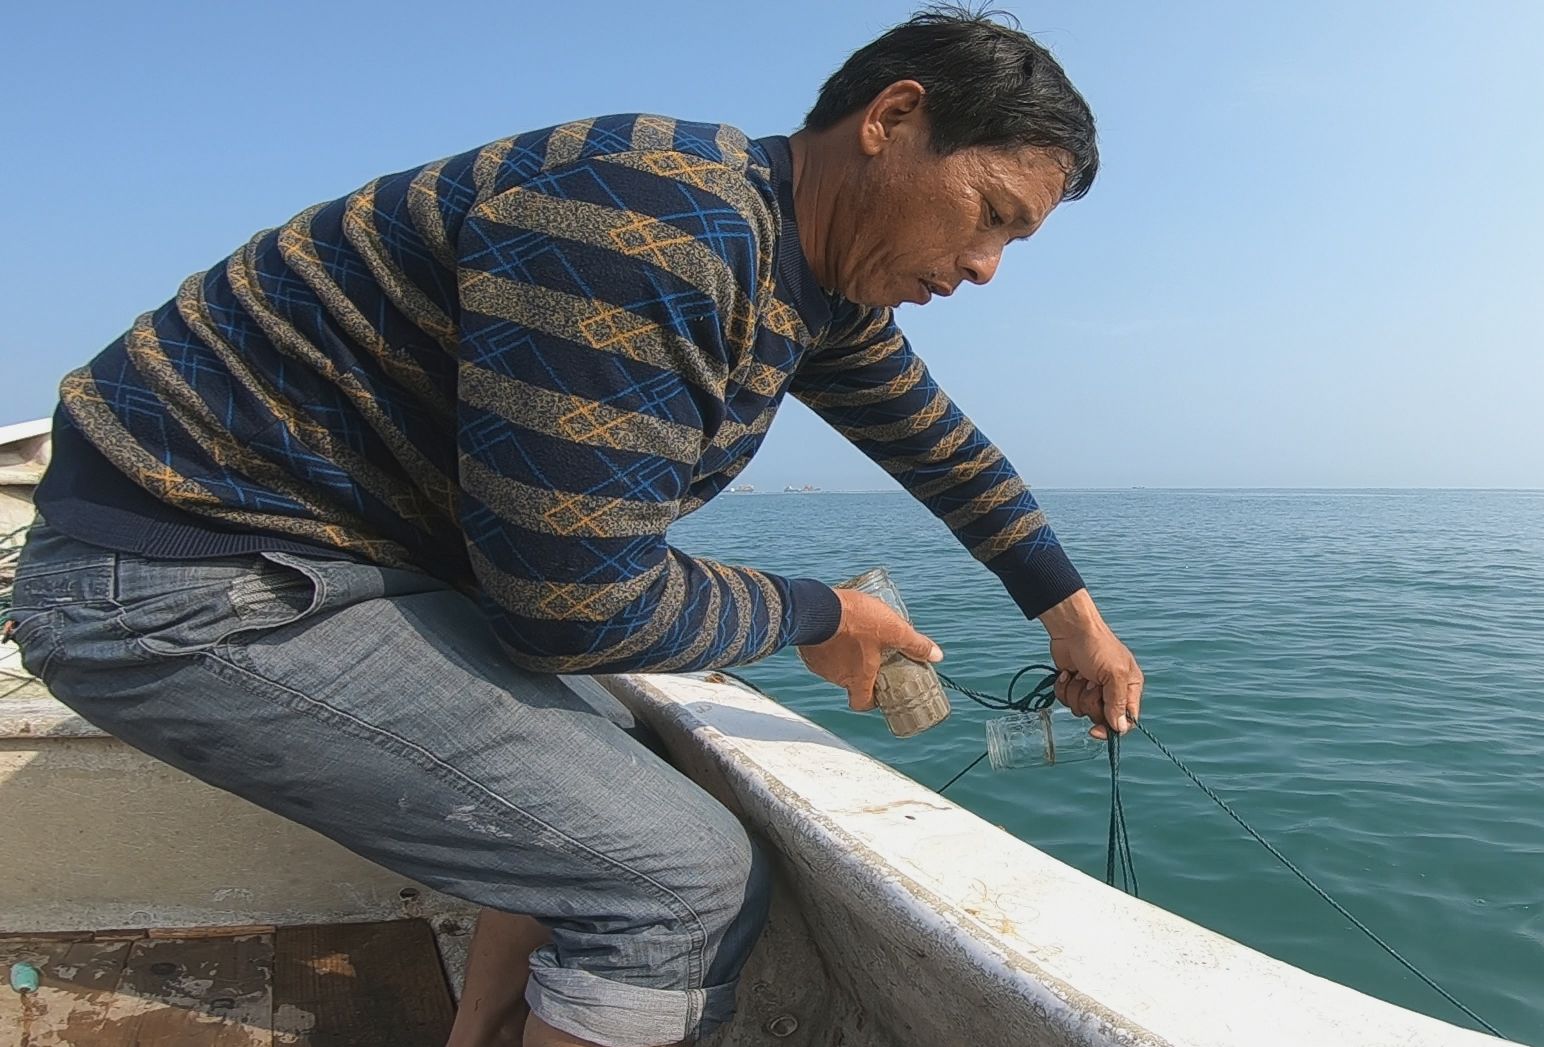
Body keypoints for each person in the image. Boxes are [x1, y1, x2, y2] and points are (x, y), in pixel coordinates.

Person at [3, 6, 1143, 1046]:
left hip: (309, 554)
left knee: (608, 752)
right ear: (893, 119)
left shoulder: (807, 275)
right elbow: (573, 606)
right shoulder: (658, 223)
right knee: (676, 883)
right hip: (175, 570)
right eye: (990, 215)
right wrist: (820, 614)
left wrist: (1073, 620)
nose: (987, 267)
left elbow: (941, 448)